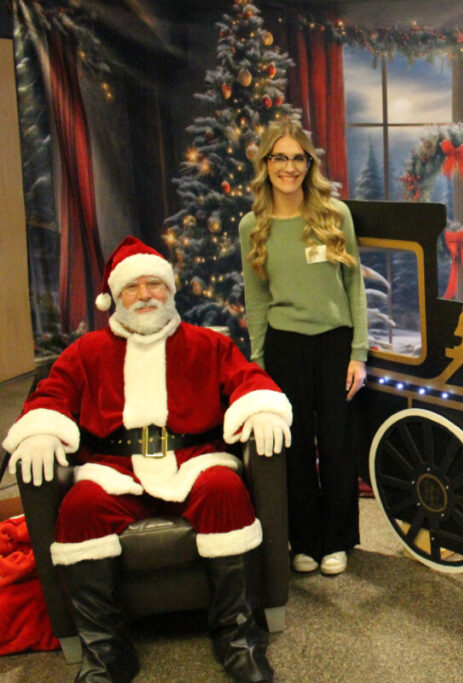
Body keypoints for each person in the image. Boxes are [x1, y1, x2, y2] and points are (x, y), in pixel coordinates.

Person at [4, 236, 292, 683]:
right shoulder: (85, 353)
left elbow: (249, 380)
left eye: (153, 284)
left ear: (169, 290)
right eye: (132, 287)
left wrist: (262, 409)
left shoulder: (206, 344)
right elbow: (52, 394)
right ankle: (107, 651)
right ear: (114, 298)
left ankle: (238, 639)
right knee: (79, 510)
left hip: (194, 459)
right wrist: (41, 429)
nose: (144, 295)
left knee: (226, 491)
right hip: (113, 469)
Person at [239, 121, 368, 577]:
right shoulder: (252, 226)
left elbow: (354, 285)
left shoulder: (334, 214)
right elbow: (256, 299)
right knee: (292, 451)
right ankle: (305, 542)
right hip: (284, 346)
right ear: (266, 164)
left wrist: (359, 352)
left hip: (335, 345)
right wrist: (257, 365)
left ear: (308, 163)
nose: (289, 167)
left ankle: (337, 541)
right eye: (280, 158)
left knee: (337, 445)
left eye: (298, 158)